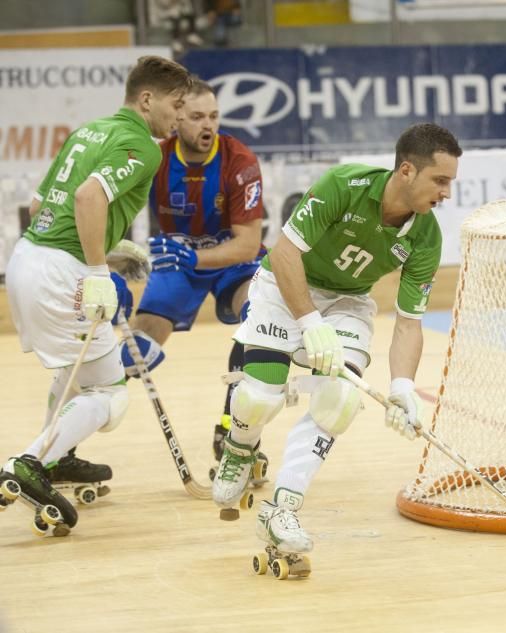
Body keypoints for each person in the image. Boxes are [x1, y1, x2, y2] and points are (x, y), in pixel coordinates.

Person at [212, 123, 462, 560]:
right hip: (283, 283)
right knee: (258, 399)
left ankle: (282, 508)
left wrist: (403, 386)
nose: (446, 193)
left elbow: (408, 323)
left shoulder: (426, 237)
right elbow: (286, 252)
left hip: (348, 301)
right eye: (440, 181)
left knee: (340, 401)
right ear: (406, 171)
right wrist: (308, 321)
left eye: (450, 183)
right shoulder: (343, 185)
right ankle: (240, 447)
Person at [0, 56, 193, 532]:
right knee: (108, 391)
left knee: (75, 373)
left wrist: (105, 249)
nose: (179, 117)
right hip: (60, 272)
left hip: (28, 259)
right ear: (146, 100)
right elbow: (90, 198)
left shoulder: (90, 131)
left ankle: (58, 456)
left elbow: (41, 204)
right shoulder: (144, 147)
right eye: (176, 104)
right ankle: (28, 464)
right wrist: (93, 272)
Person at [121, 79, 268, 479]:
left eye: (215, 116)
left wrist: (195, 255)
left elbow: (247, 244)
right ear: (177, 118)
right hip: (178, 260)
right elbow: (112, 206)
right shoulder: (156, 158)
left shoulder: (240, 160)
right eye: (198, 117)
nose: (209, 126)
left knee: (260, 325)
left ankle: (232, 433)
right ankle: (64, 447)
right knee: (133, 354)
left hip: (232, 261)